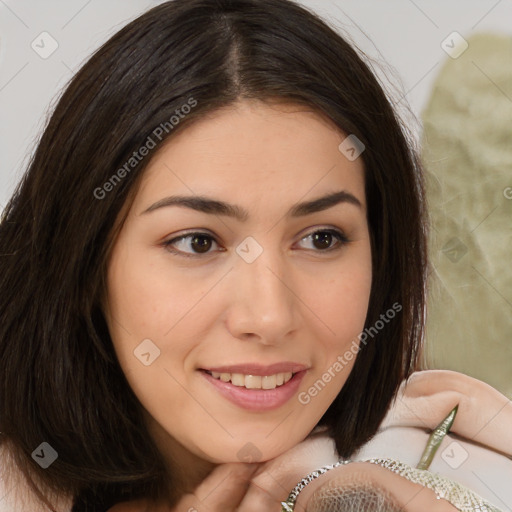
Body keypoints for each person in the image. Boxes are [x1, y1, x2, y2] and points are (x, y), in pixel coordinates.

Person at [0, 0, 509, 511]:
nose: (269, 316)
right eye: (198, 242)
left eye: (321, 238)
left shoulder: (465, 475)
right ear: (86, 263)